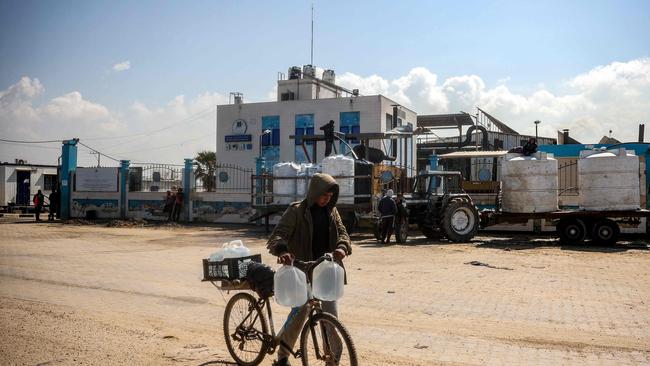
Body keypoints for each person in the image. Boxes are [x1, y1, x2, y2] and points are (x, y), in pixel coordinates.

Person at [266, 173, 352, 366]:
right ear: (314, 192)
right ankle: (282, 357)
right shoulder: (296, 211)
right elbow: (278, 235)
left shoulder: (332, 211)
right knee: (300, 314)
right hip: (302, 272)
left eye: (330, 197)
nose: (326, 199)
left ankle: (332, 359)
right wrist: (282, 251)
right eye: (324, 195)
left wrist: (342, 247)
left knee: (330, 317)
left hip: (326, 270)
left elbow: (343, 233)